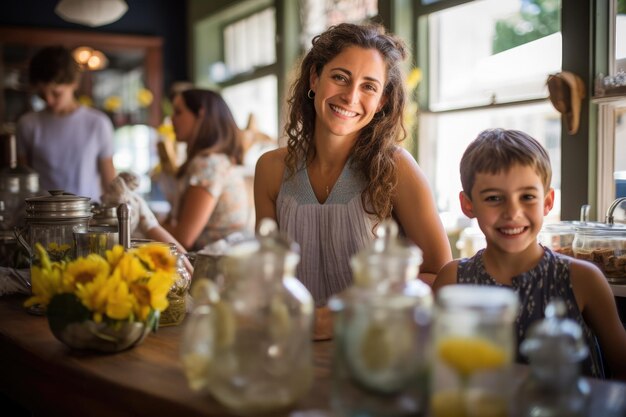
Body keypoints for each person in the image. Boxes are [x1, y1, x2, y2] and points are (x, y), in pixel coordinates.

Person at [254, 23, 452, 335]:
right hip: (290, 344)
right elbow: (266, 273)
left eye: (369, 86)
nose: (350, 97)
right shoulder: (270, 168)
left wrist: (347, 316)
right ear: (315, 78)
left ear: (382, 101)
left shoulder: (396, 167)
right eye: (340, 78)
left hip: (374, 348)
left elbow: (441, 275)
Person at [433, 128, 626, 380]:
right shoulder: (452, 280)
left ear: (547, 202)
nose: (513, 212)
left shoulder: (584, 280)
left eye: (527, 197)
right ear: (468, 205)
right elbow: (433, 368)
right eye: (493, 198)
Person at [16, 45, 116, 202]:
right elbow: (23, 181)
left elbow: (109, 182)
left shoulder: (98, 123)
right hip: (42, 216)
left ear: (74, 83)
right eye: (42, 94)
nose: (48, 100)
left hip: (88, 216)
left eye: (56, 93)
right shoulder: (27, 124)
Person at [162, 88, 251, 251]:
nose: (171, 119)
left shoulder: (208, 165)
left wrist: (145, 222)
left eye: (178, 112)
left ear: (201, 115)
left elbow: (183, 239)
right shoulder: (214, 160)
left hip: (216, 269)